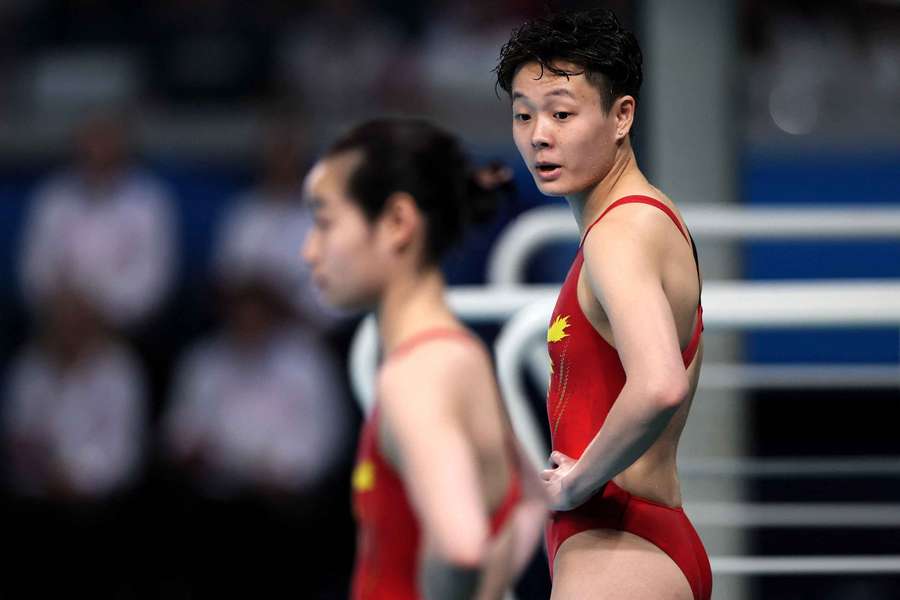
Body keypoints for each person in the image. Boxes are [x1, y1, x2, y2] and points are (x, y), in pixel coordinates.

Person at [495, 8, 712, 600]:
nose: (540, 134)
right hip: (629, 542)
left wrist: (572, 487)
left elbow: (660, 383)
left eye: (563, 113)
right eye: (524, 114)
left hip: (620, 544)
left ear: (622, 116)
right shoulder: (640, 221)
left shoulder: (619, 232)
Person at [301, 117, 546, 600]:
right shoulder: (463, 355)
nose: (310, 251)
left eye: (325, 222)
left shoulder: (416, 376)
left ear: (396, 223)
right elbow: (532, 502)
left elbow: (461, 548)